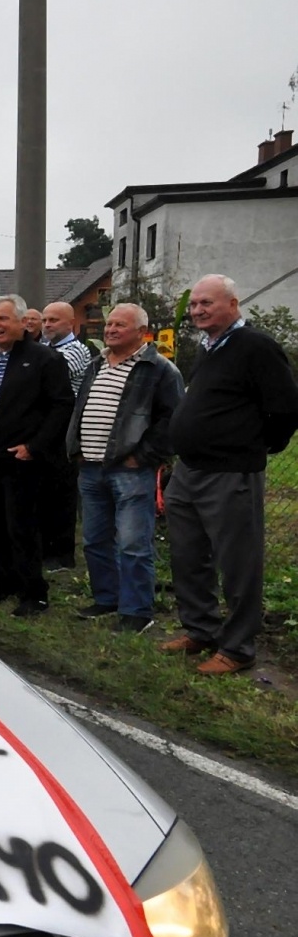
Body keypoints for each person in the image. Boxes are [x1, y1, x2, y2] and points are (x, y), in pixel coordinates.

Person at [163, 274, 298, 673]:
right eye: (194, 305)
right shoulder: (209, 346)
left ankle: (238, 648)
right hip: (189, 470)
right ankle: (200, 628)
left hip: (230, 472)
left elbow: (287, 407)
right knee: (188, 555)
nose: (198, 310)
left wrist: (257, 446)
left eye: (207, 303)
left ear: (233, 304)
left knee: (238, 562)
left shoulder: (255, 346)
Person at [65, 303, 182, 633]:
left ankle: (137, 612)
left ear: (140, 332)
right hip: (90, 467)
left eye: (120, 325)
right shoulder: (95, 365)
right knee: (94, 540)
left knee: (132, 543)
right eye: (109, 324)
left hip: (130, 471)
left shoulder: (160, 370)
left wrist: (142, 456)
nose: (110, 329)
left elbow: (171, 420)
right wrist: (76, 448)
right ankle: (107, 598)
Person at [0, 294, 74, 617]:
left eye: (3, 319)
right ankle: (2, 585)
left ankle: (33, 593)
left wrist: (35, 446)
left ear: (23, 323)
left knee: (21, 528)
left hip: (22, 459)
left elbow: (62, 405)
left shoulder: (44, 359)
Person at [39, 301, 94, 571]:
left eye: (54, 320)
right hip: (43, 429)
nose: (47, 325)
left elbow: (51, 377)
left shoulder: (76, 350)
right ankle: (44, 548)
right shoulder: (46, 350)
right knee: (44, 493)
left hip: (66, 429)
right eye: (45, 320)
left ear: (70, 324)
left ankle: (62, 554)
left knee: (62, 494)